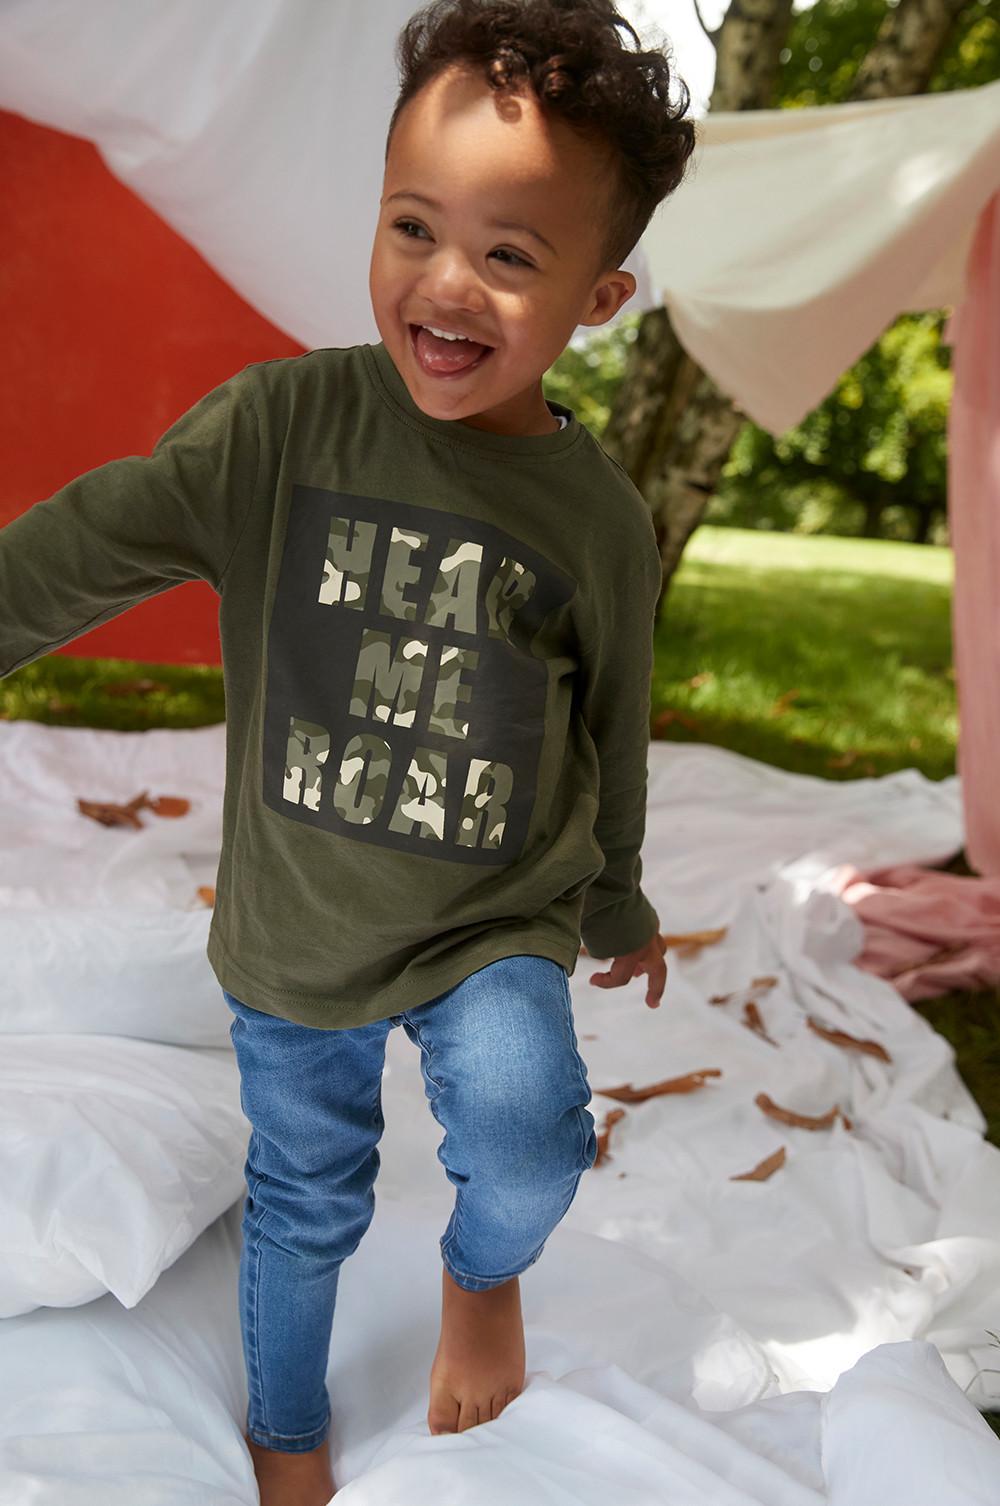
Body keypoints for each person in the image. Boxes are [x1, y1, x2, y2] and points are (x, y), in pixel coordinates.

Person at [0, 2, 697, 1500]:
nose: (449, 283)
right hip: (301, 928)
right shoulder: (283, 426)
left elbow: (612, 715)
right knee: (304, 1200)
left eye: (512, 255)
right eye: (412, 227)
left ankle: (479, 1270)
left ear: (599, 292)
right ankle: (285, 1430)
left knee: (529, 1141)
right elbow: (91, 539)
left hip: (489, 920)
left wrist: (619, 893)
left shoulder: (593, 519)